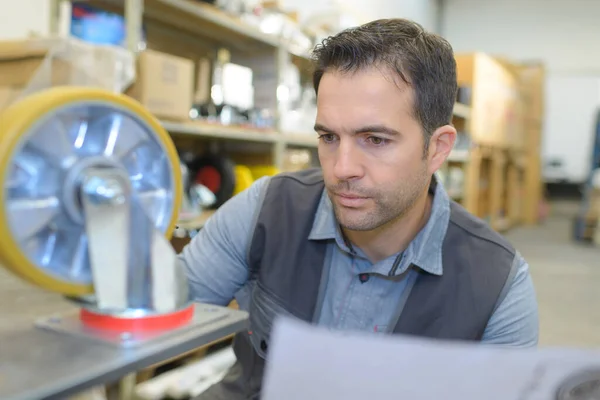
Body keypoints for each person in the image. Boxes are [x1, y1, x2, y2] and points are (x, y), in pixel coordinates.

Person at [181, 18, 539, 399]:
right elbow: (158, 312)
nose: (341, 168)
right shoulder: (267, 209)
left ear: (438, 149)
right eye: (329, 137)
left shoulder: (498, 284)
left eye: (375, 139)